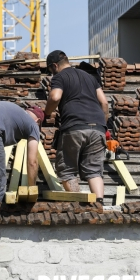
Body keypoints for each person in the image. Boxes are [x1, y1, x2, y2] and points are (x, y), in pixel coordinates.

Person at [43, 50, 109, 201]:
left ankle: (78, 202)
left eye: (50, 70)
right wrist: (103, 126)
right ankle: (98, 203)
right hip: (98, 127)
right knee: (94, 170)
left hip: (74, 125)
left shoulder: (60, 76)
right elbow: (104, 103)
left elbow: (55, 97)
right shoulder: (90, 77)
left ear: (54, 66)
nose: (52, 74)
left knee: (66, 169)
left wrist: (47, 112)